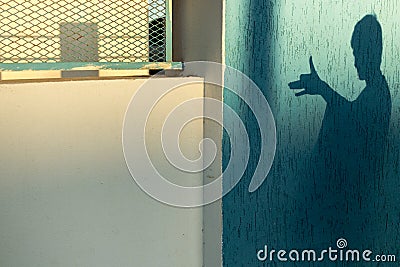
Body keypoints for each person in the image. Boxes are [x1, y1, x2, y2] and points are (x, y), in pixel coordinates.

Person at [288, 14, 392, 246]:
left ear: (373, 52)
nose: (355, 61)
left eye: (358, 53)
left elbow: (355, 123)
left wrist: (323, 90)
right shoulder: (374, 94)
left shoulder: (378, 95)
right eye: (355, 53)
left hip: (351, 207)